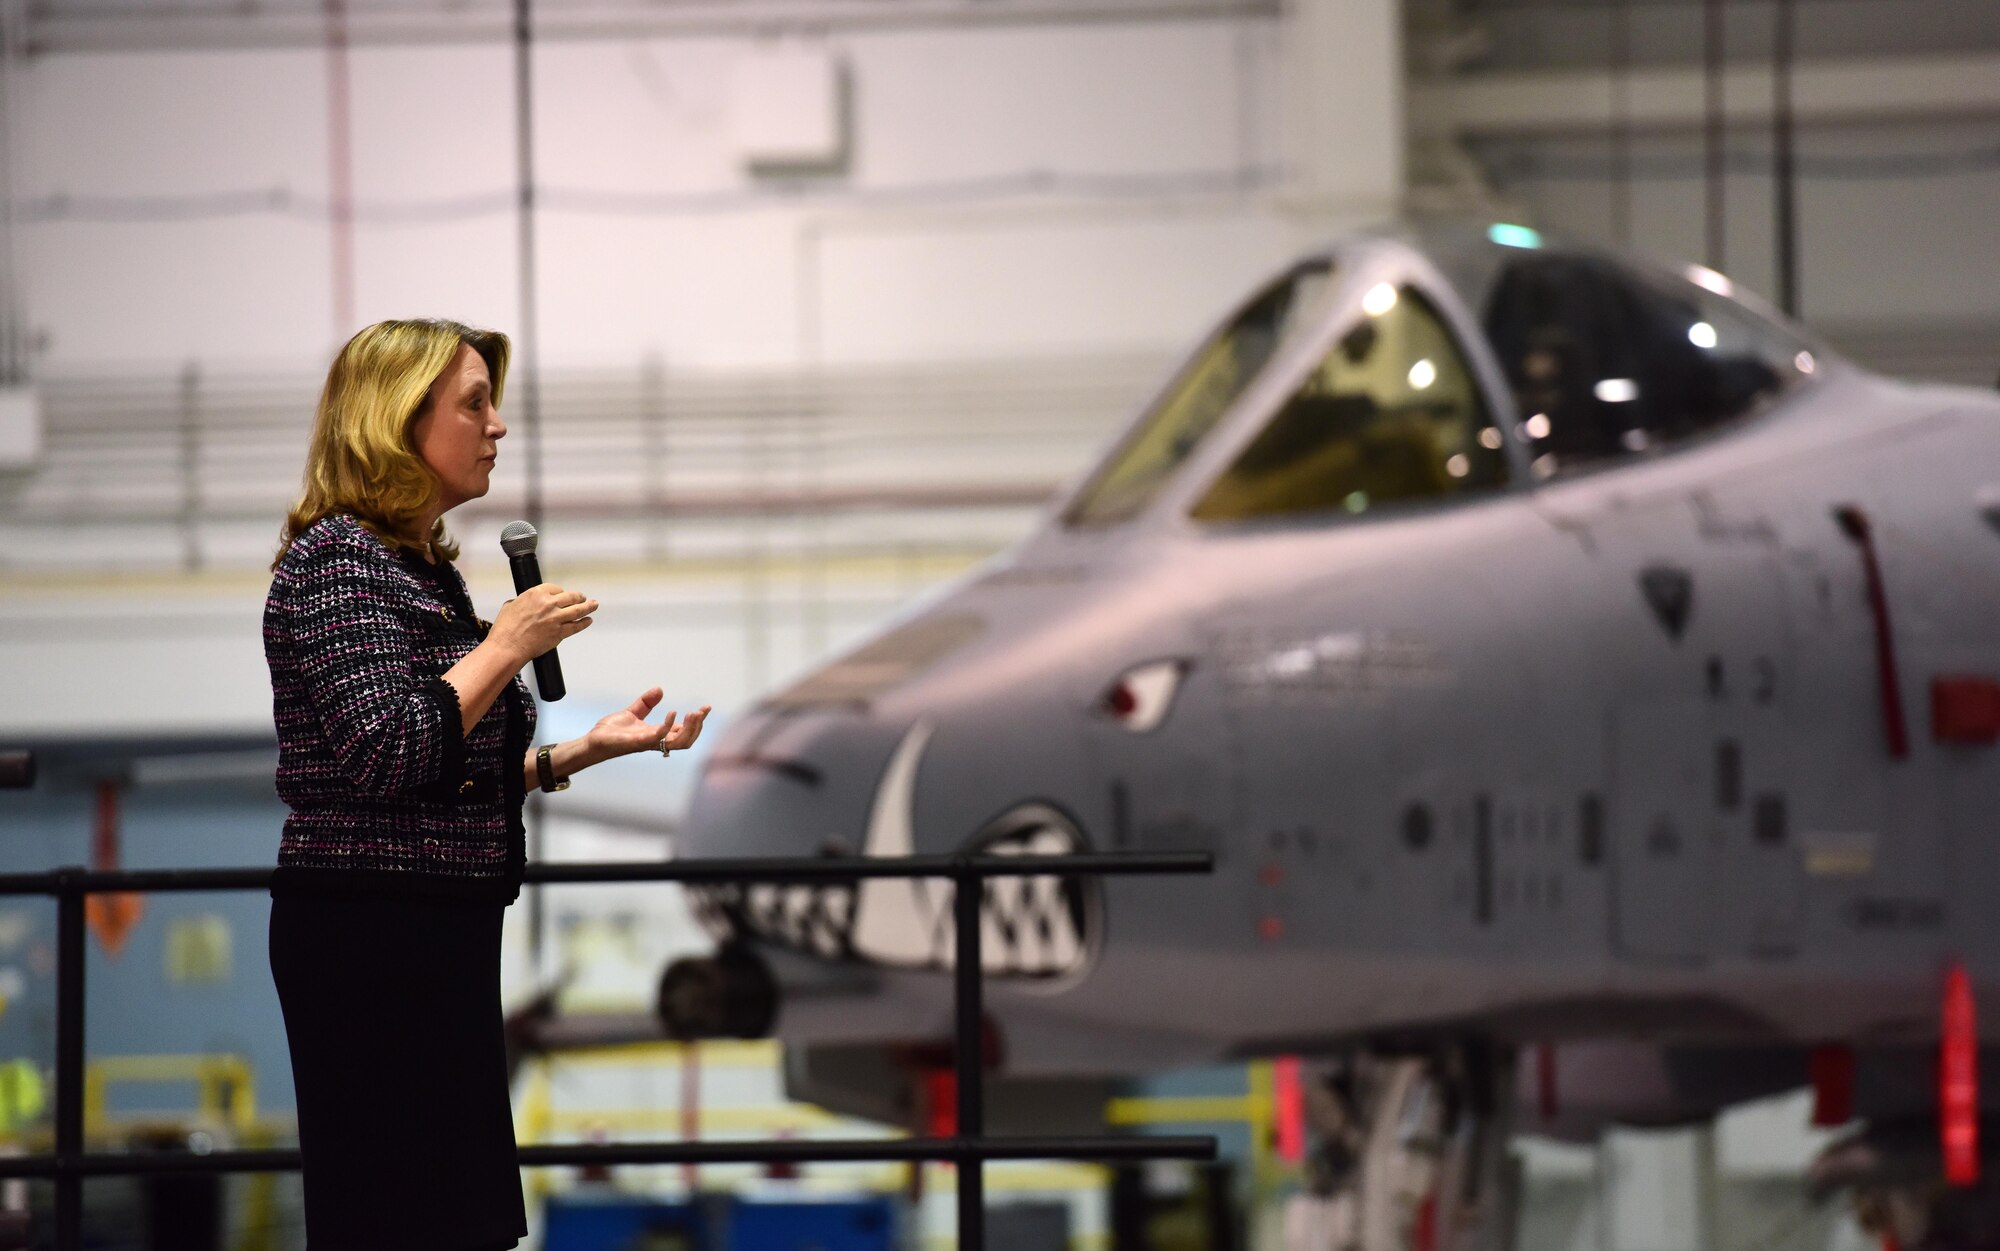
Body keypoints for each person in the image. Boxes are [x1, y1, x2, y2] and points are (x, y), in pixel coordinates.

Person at [263, 318, 709, 1250]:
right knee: (398, 1220)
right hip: (369, 938)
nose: (497, 425)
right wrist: (504, 645)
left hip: (440, 929)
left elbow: (443, 769)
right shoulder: (333, 565)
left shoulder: (416, 570)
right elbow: (388, 750)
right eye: (474, 404)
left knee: (463, 1219)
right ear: (397, 422)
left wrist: (575, 754)